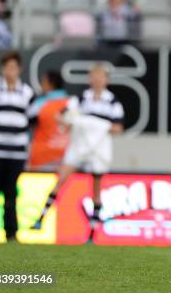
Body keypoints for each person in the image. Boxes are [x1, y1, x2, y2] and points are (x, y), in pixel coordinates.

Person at [31, 64, 124, 243]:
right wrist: (71, 122)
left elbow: (118, 128)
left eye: (100, 76)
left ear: (106, 79)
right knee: (61, 180)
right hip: (79, 145)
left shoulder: (112, 102)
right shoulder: (81, 98)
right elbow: (61, 116)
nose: (97, 79)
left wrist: (94, 124)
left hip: (98, 149)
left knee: (96, 190)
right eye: (94, 75)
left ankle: (92, 234)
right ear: (90, 79)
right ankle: (40, 219)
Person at [0, 51, 36, 243]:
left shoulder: (27, 92)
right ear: (2, 69)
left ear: (20, 70)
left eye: (14, 68)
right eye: (7, 68)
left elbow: (32, 121)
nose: (10, 71)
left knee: (11, 192)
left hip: (16, 151)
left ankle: (11, 233)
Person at [27, 71, 71, 171]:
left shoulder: (39, 104)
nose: (41, 85)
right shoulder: (72, 103)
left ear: (49, 84)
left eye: (43, 82)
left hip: (41, 158)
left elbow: (27, 123)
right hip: (66, 157)